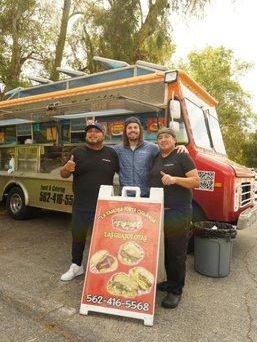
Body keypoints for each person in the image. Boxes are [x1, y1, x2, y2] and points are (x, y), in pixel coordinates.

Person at [60, 122, 119, 281]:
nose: (92, 134)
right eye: (89, 132)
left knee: (103, 238)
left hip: (104, 206)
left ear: (103, 135)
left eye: (96, 131)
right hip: (81, 205)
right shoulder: (77, 152)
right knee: (78, 236)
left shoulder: (111, 154)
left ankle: (103, 268)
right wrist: (67, 168)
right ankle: (76, 266)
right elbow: (63, 174)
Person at [149, 127, 200, 309]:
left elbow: (196, 181)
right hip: (158, 211)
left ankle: (176, 291)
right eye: (160, 137)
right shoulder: (156, 157)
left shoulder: (182, 156)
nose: (163, 140)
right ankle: (169, 282)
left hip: (177, 212)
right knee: (163, 249)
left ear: (174, 140)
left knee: (176, 252)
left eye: (167, 137)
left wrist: (175, 179)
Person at [114, 117, 187, 197]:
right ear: (125, 131)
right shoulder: (117, 149)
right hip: (124, 196)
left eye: (135, 127)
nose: (133, 130)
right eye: (129, 128)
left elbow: (167, 153)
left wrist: (179, 147)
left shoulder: (152, 148)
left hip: (146, 196)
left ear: (140, 130)